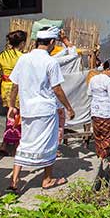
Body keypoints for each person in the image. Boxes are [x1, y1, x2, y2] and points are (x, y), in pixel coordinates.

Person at [7, 27, 75, 192]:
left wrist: (11, 105)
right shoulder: (50, 62)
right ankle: (47, 179)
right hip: (45, 109)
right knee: (49, 144)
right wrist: (68, 107)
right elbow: (57, 89)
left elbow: (14, 85)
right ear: (51, 42)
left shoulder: (23, 59)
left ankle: (14, 181)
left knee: (25, 142)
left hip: (27, 109)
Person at [0, 30, 27, 155]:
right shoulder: (23, 57)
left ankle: (5, 142)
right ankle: (16, 142)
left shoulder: (2, 55)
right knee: (18, 116)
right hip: (18, 89)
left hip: (5, 87)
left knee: (10, 115)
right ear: (22, 43)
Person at [89, 60, 110, 162]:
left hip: (95, 112)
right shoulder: (109, 81)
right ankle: (102, 157)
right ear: (108, 70)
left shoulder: (93, 79)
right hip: (106, 113)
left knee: (98, 137)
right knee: (109, 137)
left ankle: (103, 157)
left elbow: (89, 93)